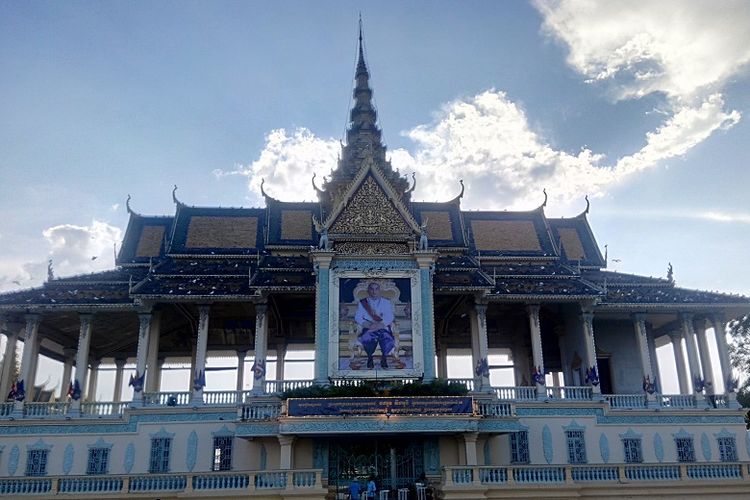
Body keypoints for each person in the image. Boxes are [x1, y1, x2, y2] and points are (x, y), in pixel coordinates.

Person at [354, 282, 395, 369]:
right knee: (367, 338)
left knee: (387, 338)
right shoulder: (363, 303)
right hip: (369, 328)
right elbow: (358, 317)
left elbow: (390, 316)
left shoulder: (386, 302)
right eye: (372, 289)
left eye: (376, 289)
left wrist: (381, 324)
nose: (374, 291)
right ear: (368, 291)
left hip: (382, 327)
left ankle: (384, 357)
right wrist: (368, 325)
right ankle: (370, 357)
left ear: (379, 290)